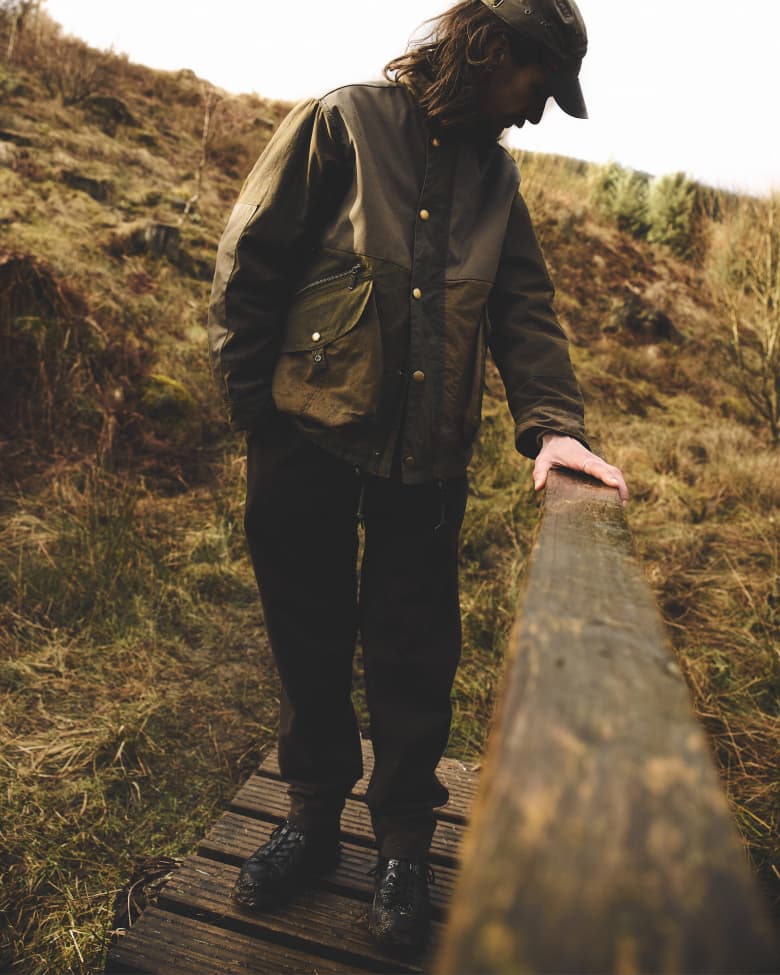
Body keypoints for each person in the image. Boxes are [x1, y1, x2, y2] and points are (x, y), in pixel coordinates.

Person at [207, 0, 628, 954]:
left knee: (414, 656)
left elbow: (524, 307)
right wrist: (256, 415)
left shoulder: (497, 178)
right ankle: (310, 823)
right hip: (303, 441)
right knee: (308, 640)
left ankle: (402, 849)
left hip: (426, 465)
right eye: (539, 86)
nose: (538, 112)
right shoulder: (343, 122)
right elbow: (251, 263)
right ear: (491, 51)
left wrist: (553, 429)